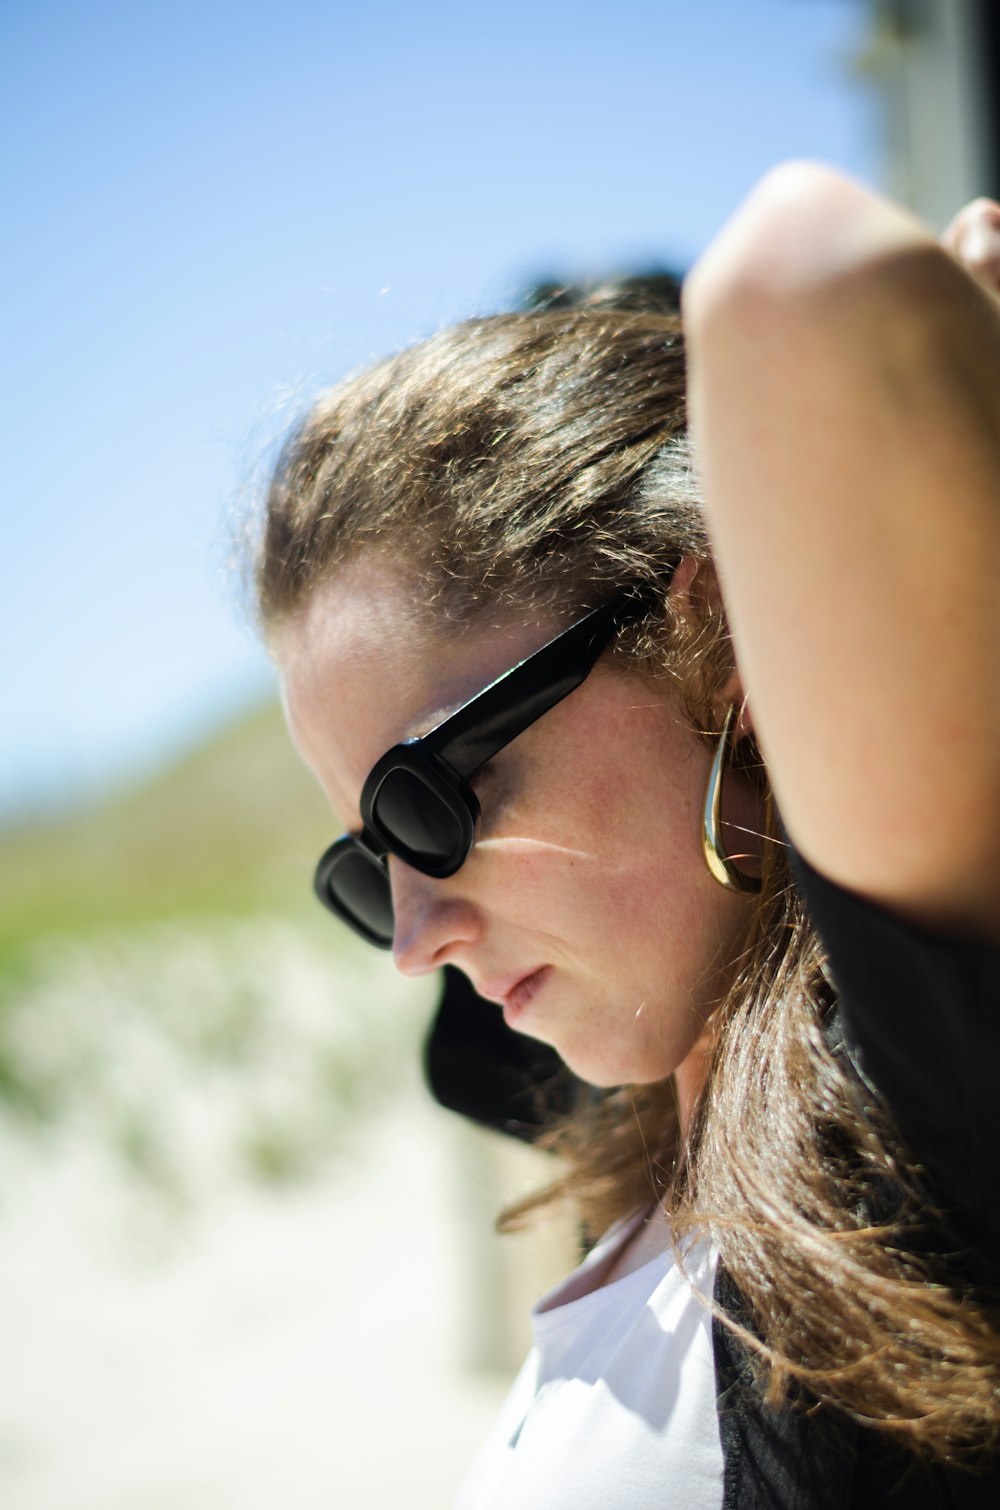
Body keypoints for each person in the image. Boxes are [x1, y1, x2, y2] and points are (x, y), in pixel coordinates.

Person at [254, 164, 1000, 1507]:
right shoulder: (638, 1146)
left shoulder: (901, 1092)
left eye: (428, 801)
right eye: (367, 865)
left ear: (711, 632)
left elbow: (804, 266)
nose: (412, 943)